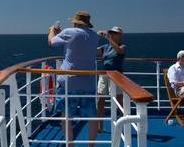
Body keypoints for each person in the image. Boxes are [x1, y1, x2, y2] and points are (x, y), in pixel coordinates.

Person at [48, 11, 99, 147]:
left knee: (66, 117)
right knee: (92, 117)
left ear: (76, 22)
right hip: (89, 82)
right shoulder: (94, 36)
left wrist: (52, 31)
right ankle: (91, 146)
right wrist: (62, 33)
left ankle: (70, 146)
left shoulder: (69, 32)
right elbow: (78, 39)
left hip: (69, 82)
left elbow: (51, 42)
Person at [95, 26, 126, 133]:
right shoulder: (105, 46)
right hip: (104, 75)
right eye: (111, 33)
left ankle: (124, 124)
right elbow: (93, 50)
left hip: (116, 76)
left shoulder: (122, 46)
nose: (112, 34)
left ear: (120, 36)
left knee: (119, 101)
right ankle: (100, 126)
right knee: (100, 100)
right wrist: (96, 38)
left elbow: (118, 51)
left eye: (114, 33)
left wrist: (108, 38)